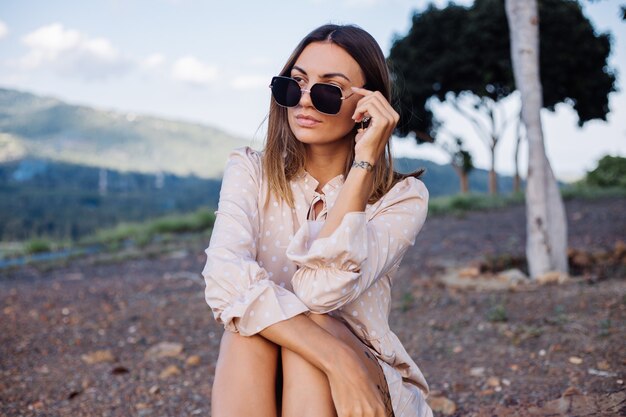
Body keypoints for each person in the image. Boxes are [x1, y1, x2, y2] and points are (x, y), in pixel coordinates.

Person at [202, 23, 433, 417]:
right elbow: (223, 282)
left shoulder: (401, 198)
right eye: (293, 85)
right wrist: (334, 359)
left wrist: (363, 166)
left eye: (328, 90)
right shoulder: (250, 171)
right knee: (245, 334)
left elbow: (319, 295)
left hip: (362, 385)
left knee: (306, 338)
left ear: (367, 104)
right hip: (315, 370)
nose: (304, 101)